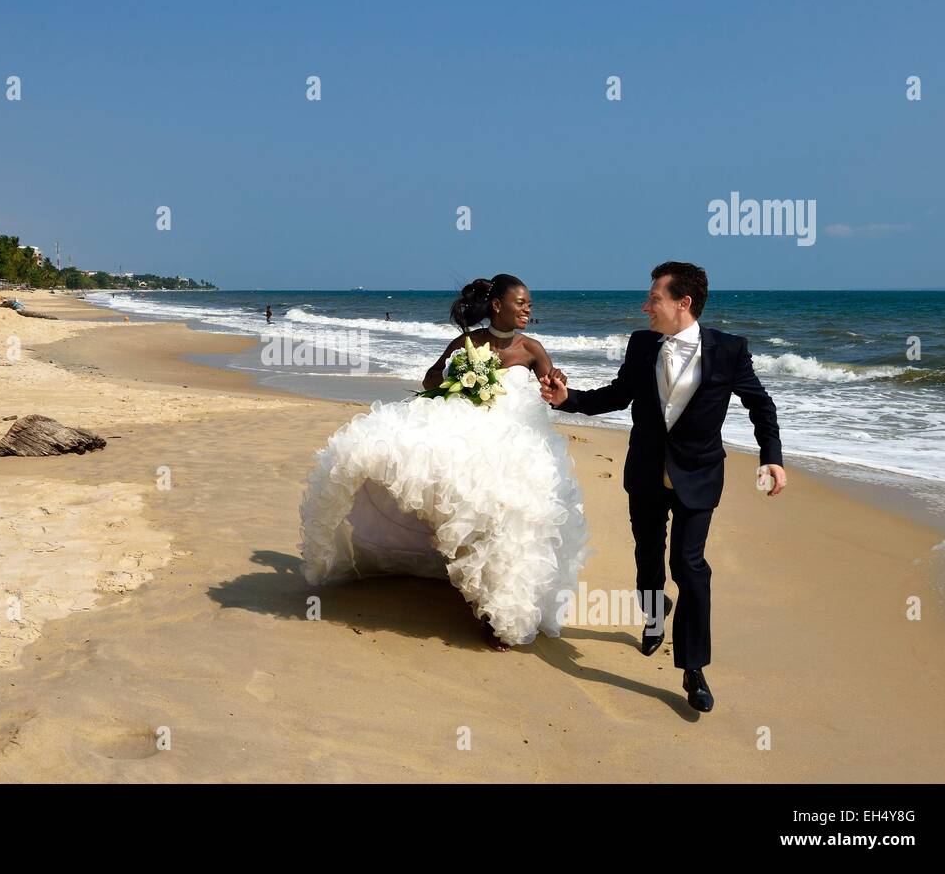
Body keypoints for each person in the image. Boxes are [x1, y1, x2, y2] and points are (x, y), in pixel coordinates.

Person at [540, 261, 785, 713]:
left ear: (682, 303)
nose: (645, 306)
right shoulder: (642, 344)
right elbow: (618, 394)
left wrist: (772, 457)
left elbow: (760, 404)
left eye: (653, 298)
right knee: (648, 559)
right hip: (647, 471)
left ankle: (694, 668)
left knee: (690, 566)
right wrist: (567, 400)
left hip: (700, 474)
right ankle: (655, 616)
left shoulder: (730, 350)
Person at [299, 273, 587, 652]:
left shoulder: (532, 349)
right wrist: (463, 376)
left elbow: (552, 386)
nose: (527, 310)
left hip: (518, 441)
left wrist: (556, 382)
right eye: (521, 303)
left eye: (530, 304)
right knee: (441, 487)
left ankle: (497, 612)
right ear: (497, 306)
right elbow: (432, 377)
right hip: (466, 431)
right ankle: (471, 590)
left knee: (508, 513)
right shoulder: (468, 342)